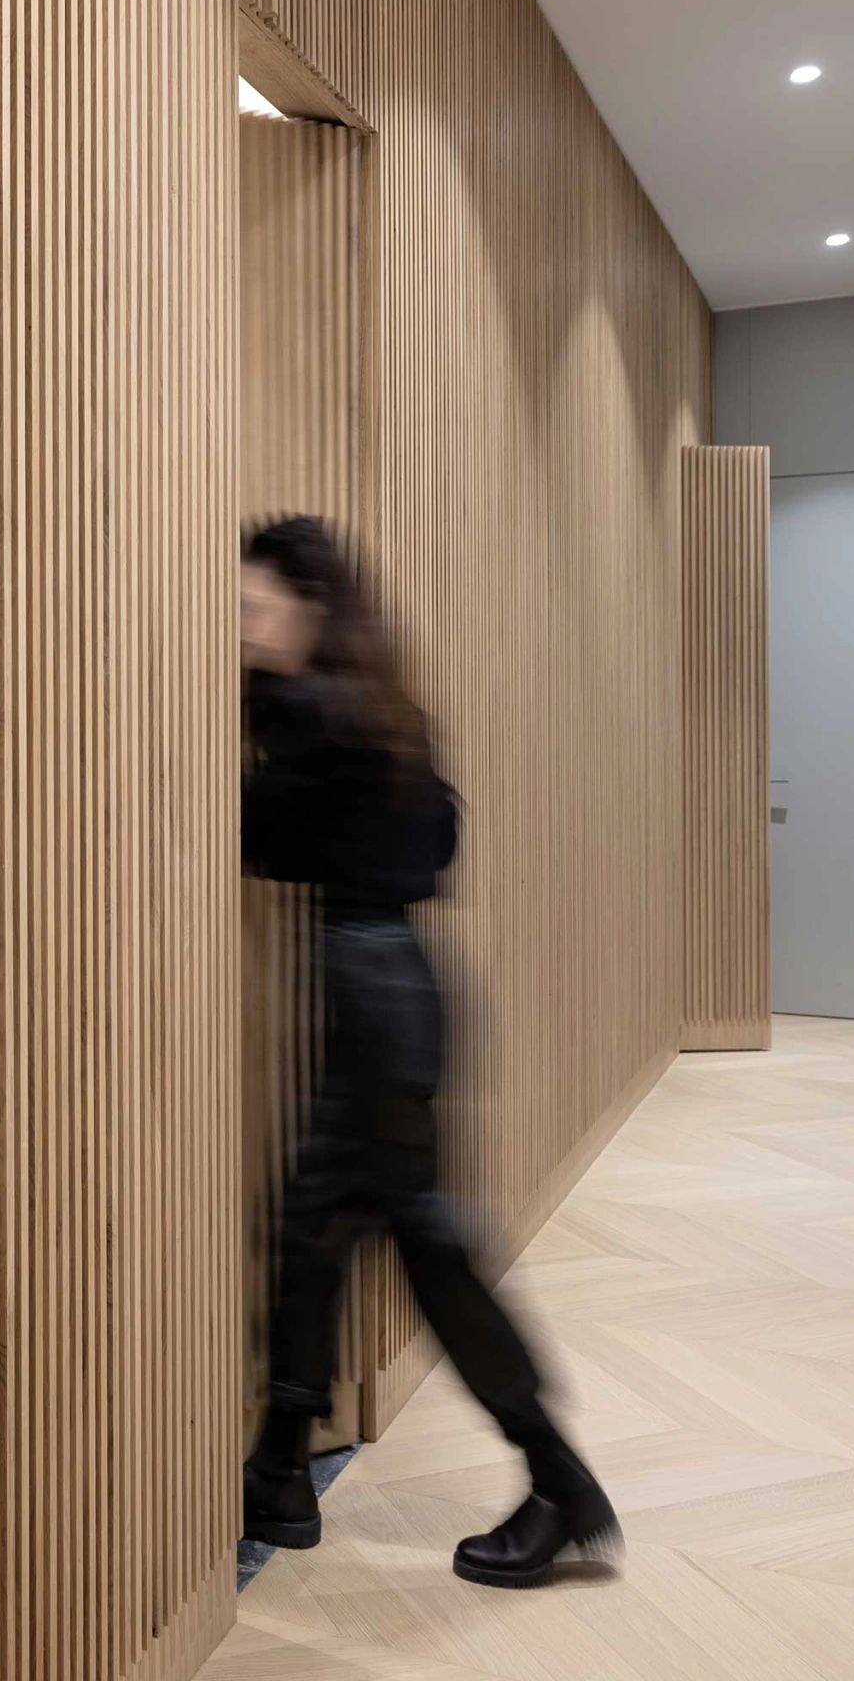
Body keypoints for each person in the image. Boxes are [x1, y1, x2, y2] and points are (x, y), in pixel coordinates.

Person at [240, 516, 621, 1589]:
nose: (243, 632)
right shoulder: (378, 713)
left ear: (312, 608)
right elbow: (435, 841)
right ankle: (279, 1469)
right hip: (400, 988)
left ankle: (559, 1484)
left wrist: (262, 711)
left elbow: (252, 829)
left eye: (254, 609)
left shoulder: (316, 717)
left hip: (375, 1005)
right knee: (313, 1226)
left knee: (427, 1249)